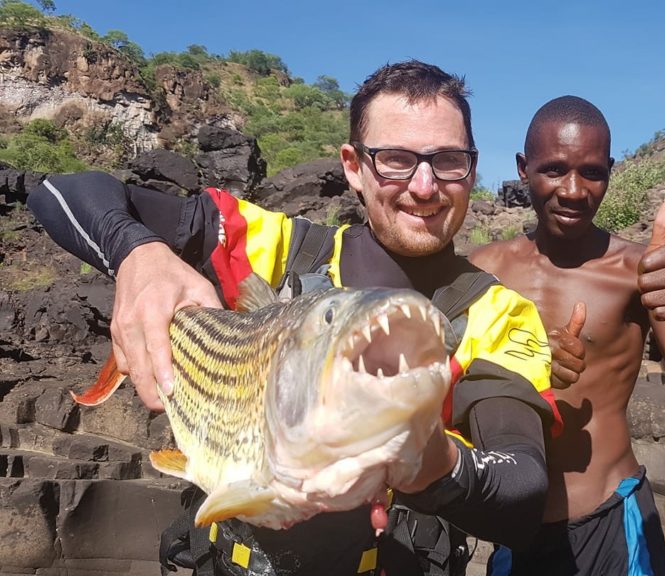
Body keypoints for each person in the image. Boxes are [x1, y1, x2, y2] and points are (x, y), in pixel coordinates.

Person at [28, 60, 561, 576]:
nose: (424, 185)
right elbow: (59, 192)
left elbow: (522, 488)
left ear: (471, 166)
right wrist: (138, 255)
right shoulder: (277, 247)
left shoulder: (499, 314)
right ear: (353, 166)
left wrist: (430, 460)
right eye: (395, 159)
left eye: (447, 160)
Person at [470, 96, 665, 576]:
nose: (573, 190)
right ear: (523, 169)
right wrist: (520, 362)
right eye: (554, 169)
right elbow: (444, 386)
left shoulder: (637, 270)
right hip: (514, 527)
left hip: (612, 520)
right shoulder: (481, 271)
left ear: (610, 171)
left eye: (592, 172)